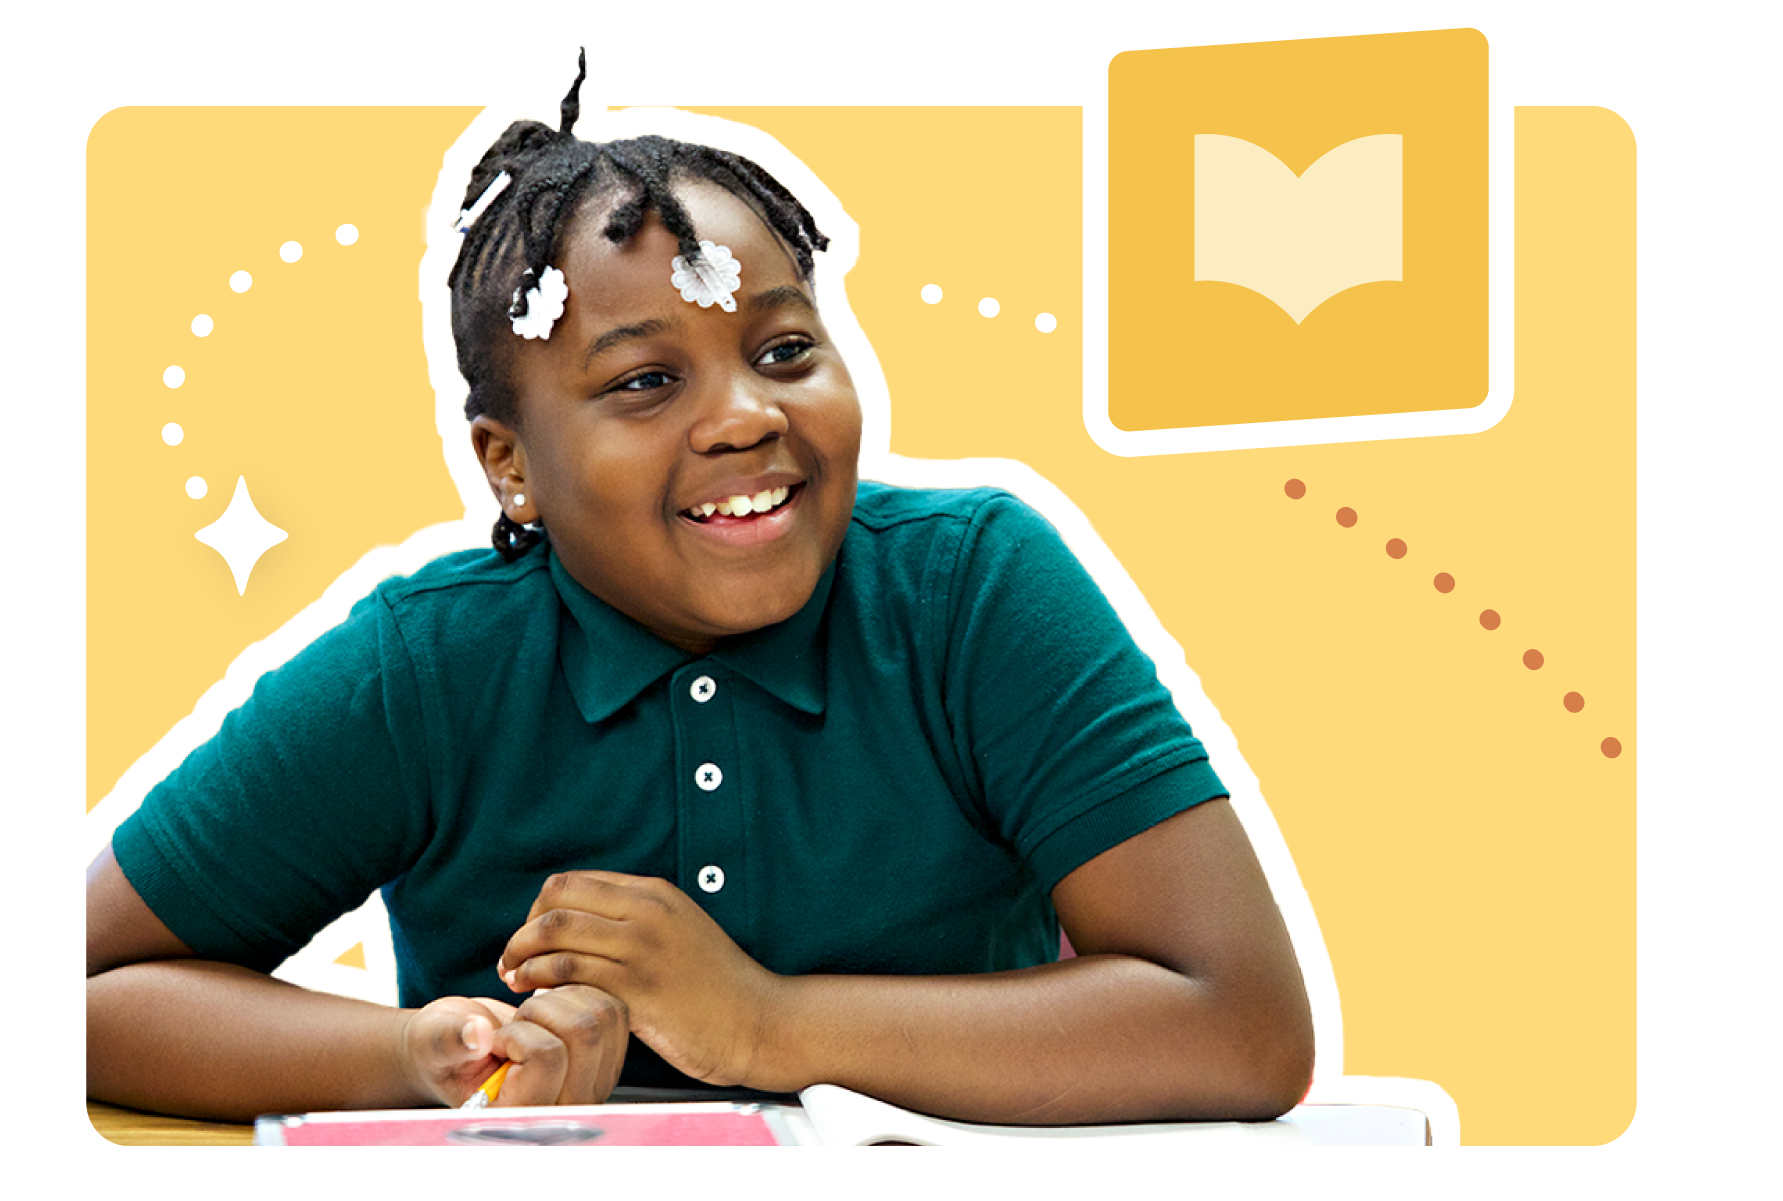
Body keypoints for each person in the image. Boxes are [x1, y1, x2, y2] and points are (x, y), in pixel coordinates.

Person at [87, 59, 1315, 1125]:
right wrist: (413, 1056)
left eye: (783, 352)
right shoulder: (428, 668)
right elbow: (48, 994)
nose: (744, 416)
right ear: (510, 464)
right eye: (642, 383)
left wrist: (765, 1023)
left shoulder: (971, 590)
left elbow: (1243, 1024)